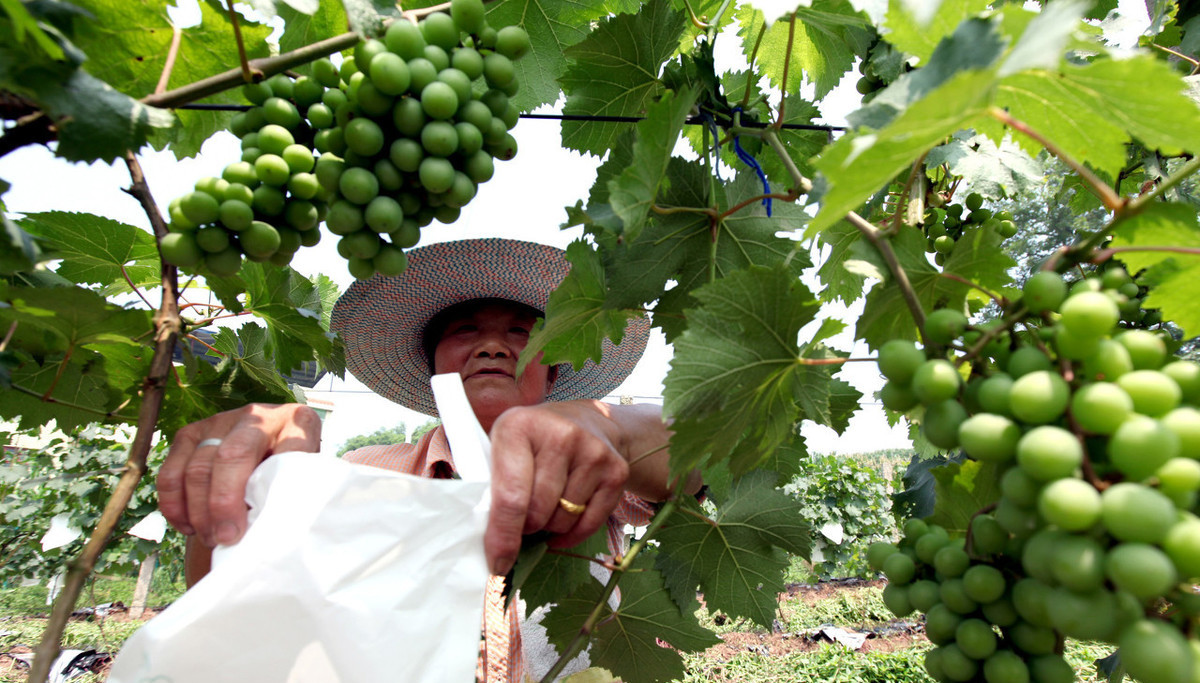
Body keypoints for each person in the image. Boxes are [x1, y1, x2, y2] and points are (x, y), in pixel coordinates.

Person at [156, 238, 701, 682]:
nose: (493, 347)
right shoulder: (368, 471)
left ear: (554, 373)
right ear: (432, 364)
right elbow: (237, 594)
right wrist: (245, 484)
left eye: (521, 333)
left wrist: (614, 428)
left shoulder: (596, 462)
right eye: (466, 331)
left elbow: (695, 462)